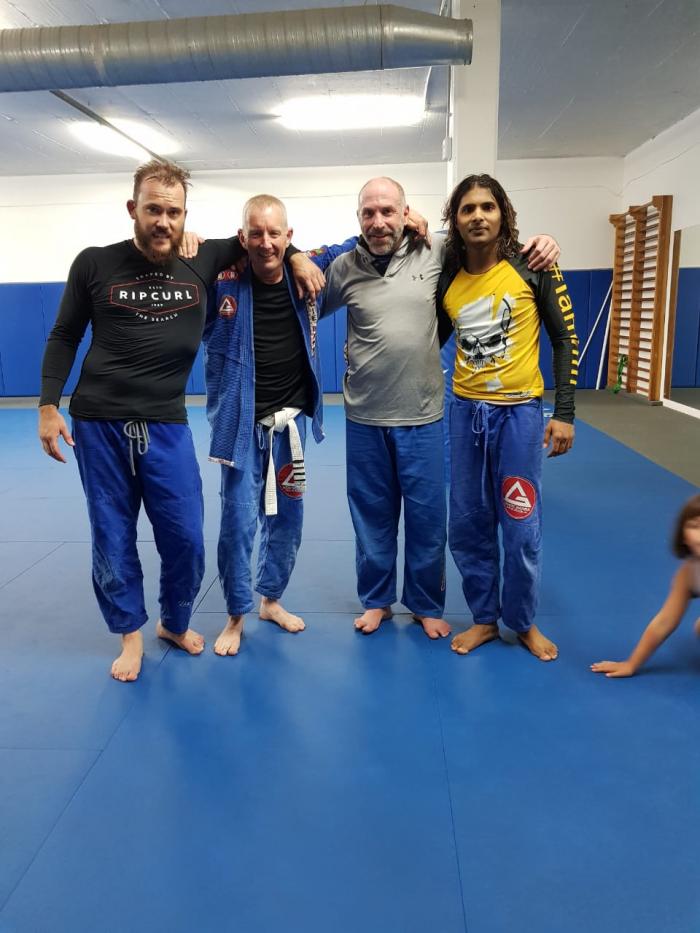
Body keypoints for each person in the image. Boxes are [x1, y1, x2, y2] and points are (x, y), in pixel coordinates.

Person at [37, 161, 320, 682]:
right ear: (133, 209)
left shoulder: (204, 257)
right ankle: (130, 634)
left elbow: (264, 240)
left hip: (167, 424)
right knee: (112, 532)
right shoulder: (94, 263)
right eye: (153, 210)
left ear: (185, 214)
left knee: (186, 536)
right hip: (99, 422)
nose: (163, 221)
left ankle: (173, 621)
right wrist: (48, 405)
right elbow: (64, 334)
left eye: (173, 212)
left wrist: (299, 255)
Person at [323, 176, 561, 639]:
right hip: (365, 416)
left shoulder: (435, 251)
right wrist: (296, 257)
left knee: (427, 517)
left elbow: (486, 238)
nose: (378, 221)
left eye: (388, 211)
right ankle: (376, 600)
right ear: (358, 219)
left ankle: (426, 603)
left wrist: (545, 240)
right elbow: (305, 301)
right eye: (369, 213)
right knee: (371, 515)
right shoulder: (343, 267)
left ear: (405, 212)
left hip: (424, 413)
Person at [203, 195, 355, 656]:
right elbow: (181, 261)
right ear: (242, 237)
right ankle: (236, 614)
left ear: (290, 236)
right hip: (240, 427)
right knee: (238, 522)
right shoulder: (222, 284)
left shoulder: (304, 278)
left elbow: (355, 244)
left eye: (275, 234)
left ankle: (270, 600)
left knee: (288, 518)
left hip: (291, 427)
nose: (266, 243)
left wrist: (409, 220)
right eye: (256, 233)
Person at [436, 173, 578, 661]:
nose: (478, 216)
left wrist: (564, 412)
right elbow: (429, 340)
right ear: (455, 221)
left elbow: (564, 339)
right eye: (467, 208)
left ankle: (522, 621)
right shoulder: (448, 279)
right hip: (464, 415)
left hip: (519, 415)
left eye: (487, 207)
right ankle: (484, 619)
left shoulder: (534, 267)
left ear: (503, 215)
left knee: (520, 523)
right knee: (469, 523)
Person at [591, 495, 700, 678]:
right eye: (695, 526)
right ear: (683, 537)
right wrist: (631, 664)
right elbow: (665, 621)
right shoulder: (689, 574)